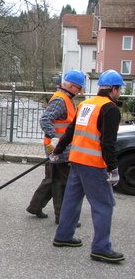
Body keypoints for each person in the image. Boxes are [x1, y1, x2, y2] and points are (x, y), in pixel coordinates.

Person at [52, 69, 125, 264]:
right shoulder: (110, 109)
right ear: (114, 89)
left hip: (76, 160)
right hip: (93, 164)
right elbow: (108, 143)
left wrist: (58, 150)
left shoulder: (85, 104)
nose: (120, 94)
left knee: (72, 200)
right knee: (104, 205)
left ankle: (63, 236)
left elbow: (70, 131)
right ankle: (101, 248)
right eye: (120, 90)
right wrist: (113, 168)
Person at [26, 70, 85, 225]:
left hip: (59, 147)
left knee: (52, 179)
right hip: (59, 148)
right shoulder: (60, 100)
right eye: (79, 88)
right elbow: (45, 120)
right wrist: (55, 139)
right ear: (72, 86)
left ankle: (35, 206)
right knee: (61, 183)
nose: (81, 92)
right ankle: (62, 217)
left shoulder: (65, 98)